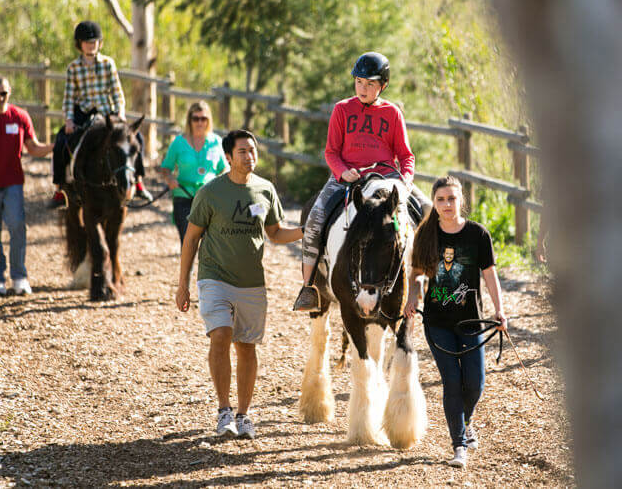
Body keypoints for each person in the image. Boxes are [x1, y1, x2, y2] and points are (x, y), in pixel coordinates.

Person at [175, 129, 302, 439]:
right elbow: (191, 239)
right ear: (228, 157)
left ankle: (243, 416)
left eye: (252, 150)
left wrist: (306, 230)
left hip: (251, 283)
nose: (249, 156)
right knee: (221, 334)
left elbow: (275, 233)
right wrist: (182, 285)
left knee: (246, 347)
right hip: (214, 276)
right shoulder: (211, 192)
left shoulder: (265, 190)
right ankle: (224, 411)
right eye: (242, 151)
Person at [292, 51, 432, 312]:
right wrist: (342, 172)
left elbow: (406, 156)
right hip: (347, 178)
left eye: (370, 83)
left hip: (388, 178)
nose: (363, 88)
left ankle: (430, 279)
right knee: (314, 219)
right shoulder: (342, 110)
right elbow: (331, 152)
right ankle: (308, 287)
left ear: (383, 85)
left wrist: (406, 180)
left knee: (429, 211)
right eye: (359, 82)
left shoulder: (392, 113)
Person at [404, 175, 506, 469]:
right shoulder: (425, 235)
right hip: (437, 323)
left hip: (471, 321)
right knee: (451, 381)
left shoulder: (478, 234)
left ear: (461, 200)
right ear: (434, 203)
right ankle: (459, 445)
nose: (447, 204)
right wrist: (412, 297)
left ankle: (466, 420)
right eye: (441, 199)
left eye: (451, 198)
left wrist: (500, 311)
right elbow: (417, 273)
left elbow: (490, 275)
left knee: (475, 383)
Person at [0, 75, 54, 298]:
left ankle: (19, 277)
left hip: (13, 183)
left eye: (3, 93)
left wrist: (57, 145)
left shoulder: (20, 117)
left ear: (9, 93)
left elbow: (34, 148)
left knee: (17, 227)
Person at [49, 20, 152, 207]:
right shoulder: (73, 68)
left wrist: (120, 112)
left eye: (94, 42)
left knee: (137, 139)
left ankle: (138, 181)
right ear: (79, 44)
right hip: (84, 113)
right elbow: (69, 97)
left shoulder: (108, 64)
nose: (91, 45)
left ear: (100, 43)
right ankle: (60, 188)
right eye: (87, 42)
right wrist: (69, 120)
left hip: (107, 113)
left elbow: (117, 93)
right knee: (61, 141)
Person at [158, 101, 227, 245]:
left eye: (203, 118)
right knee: (188, 242)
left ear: (208, 120)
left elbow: (225, 168)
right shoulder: (178, 142)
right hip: (183, 196)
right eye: (196, 118)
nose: (200, 122)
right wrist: (170, 179)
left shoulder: (216, 142)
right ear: (189, 120)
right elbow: (165, 168)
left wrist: (220, 185)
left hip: (209, 198)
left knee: (211, 244)